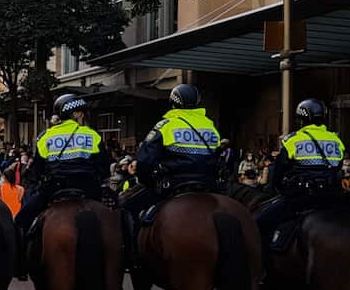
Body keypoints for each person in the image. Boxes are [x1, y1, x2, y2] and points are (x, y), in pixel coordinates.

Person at [13, 94, 111, 242]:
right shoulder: (92, 135)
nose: (83, 116)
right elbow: (104, 167)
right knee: (119, 217)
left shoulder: (45, 137)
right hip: (88, 188)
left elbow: (38, 170)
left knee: (22, 219)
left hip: (55, 187)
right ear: (76, 114)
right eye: (82, 112)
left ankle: (21, 260)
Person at [254, 99, 346, 248]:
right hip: (332, 197)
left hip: (301, 198)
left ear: (302, 119)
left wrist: (279, 189)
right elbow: (338, 166)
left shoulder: (293, 140)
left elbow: (278, 173)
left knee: (259, 222)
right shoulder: (336, 140)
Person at [125, 84, 223, 217]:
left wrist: (146, 181)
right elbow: (218, 158)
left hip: (172, 185)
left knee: (127, 206)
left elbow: (145, 160)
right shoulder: (210, 127)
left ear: (173, 103)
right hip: (208, 185)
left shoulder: (166, 126)